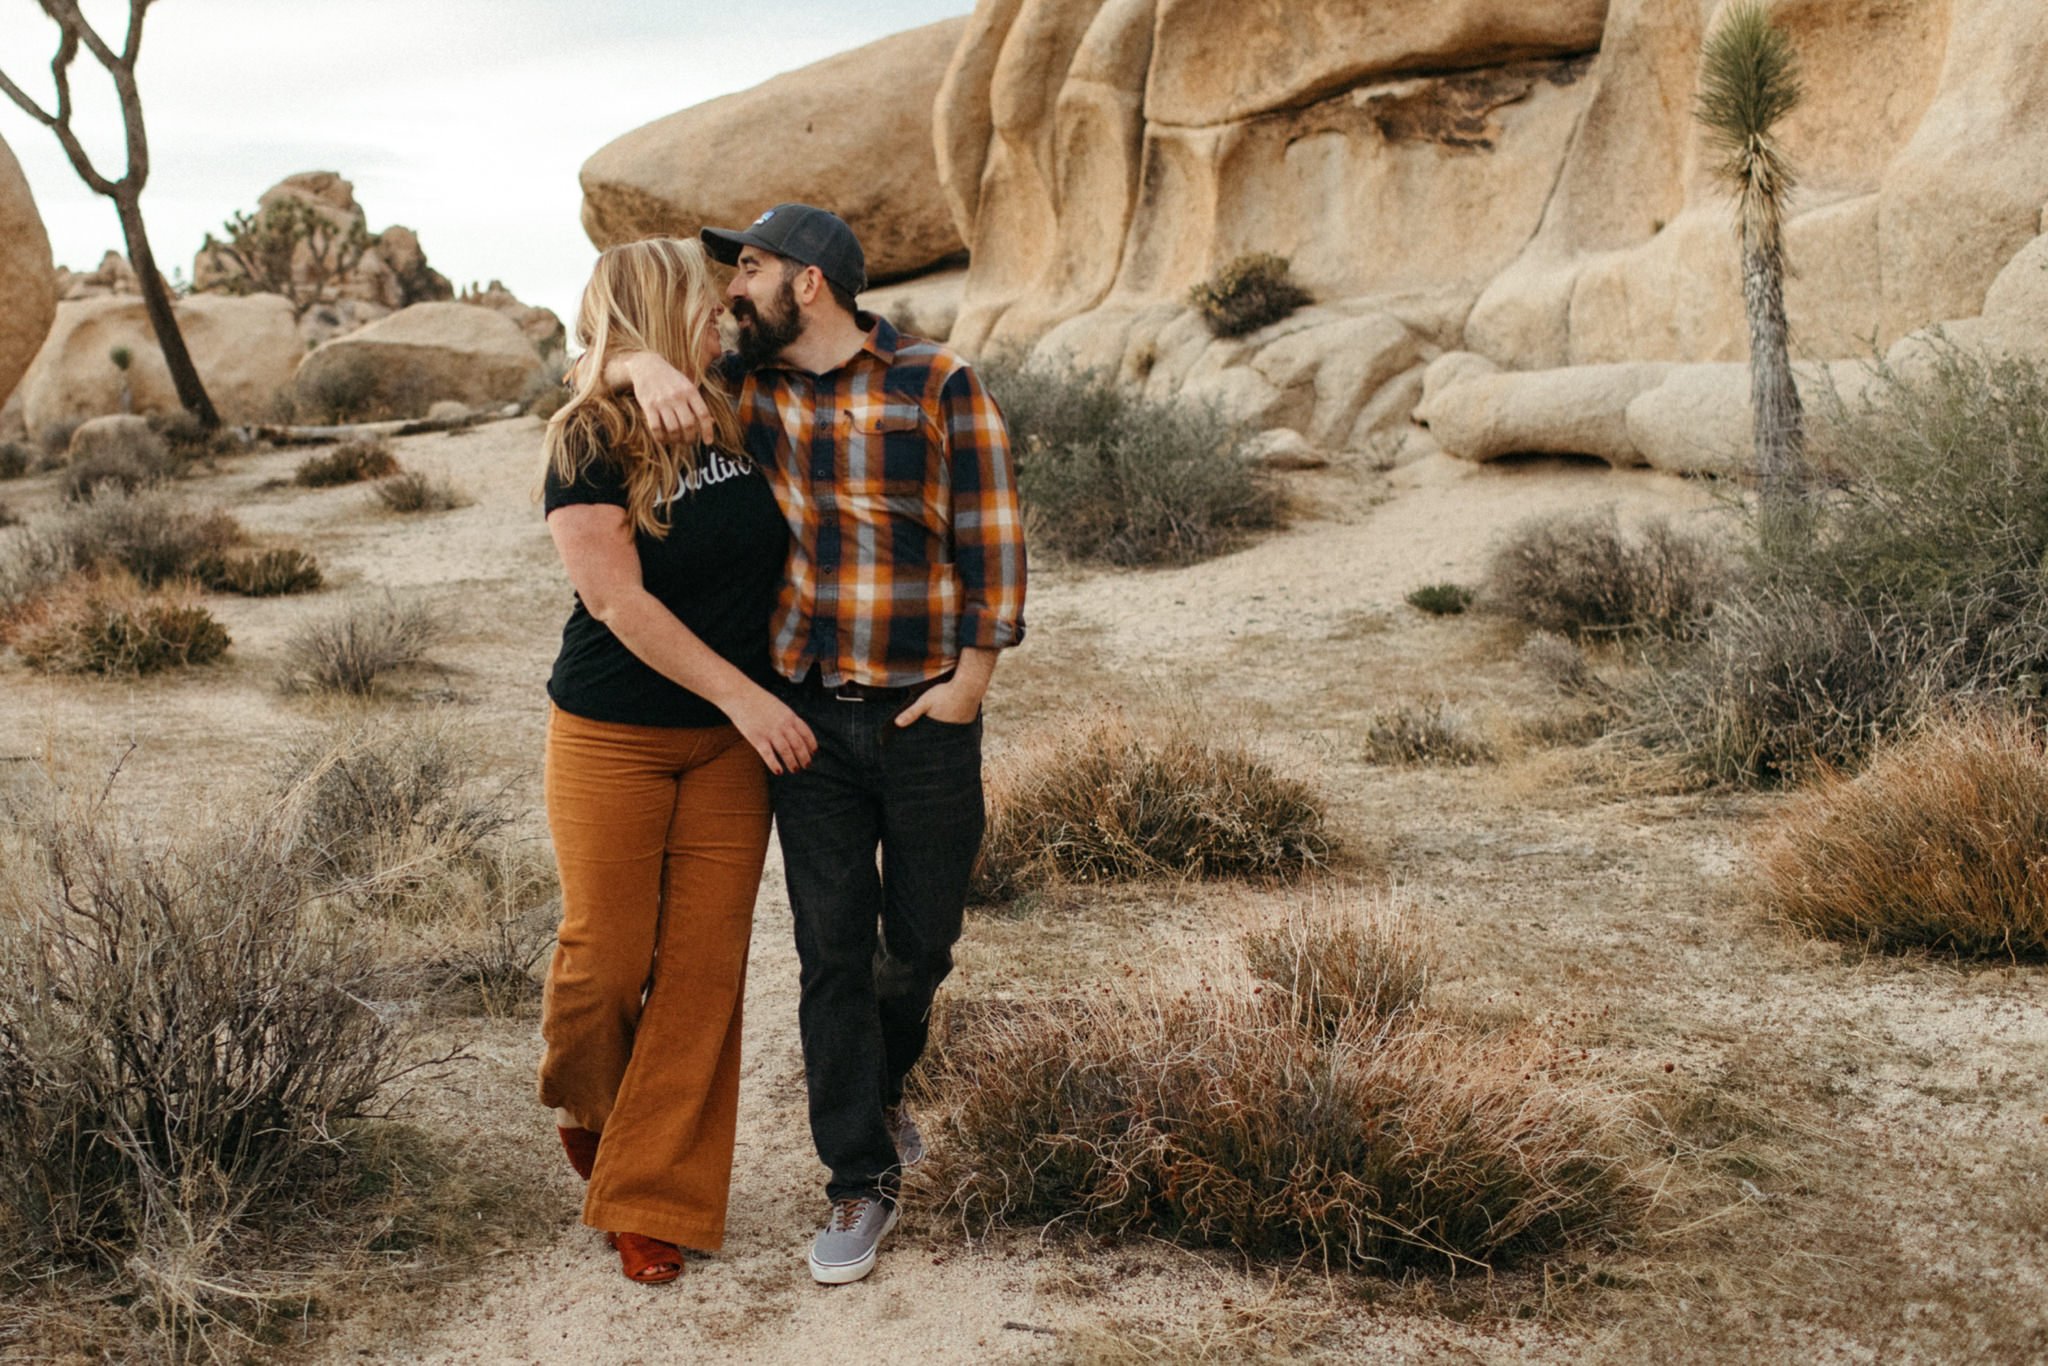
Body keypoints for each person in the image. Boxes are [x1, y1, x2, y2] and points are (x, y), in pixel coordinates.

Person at [611, 203, 1028, 1285]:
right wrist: (622, 362)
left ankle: (882, 1089)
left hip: (923, 711)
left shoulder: (938, 381)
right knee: (828, 947)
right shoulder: (737, 389)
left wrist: (967, 688)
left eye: (745, 267)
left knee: (922, 940)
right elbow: (586, 359)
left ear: (808, 280)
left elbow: (991, 535)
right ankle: (857, 1173)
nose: (728, 290)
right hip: (805, 715)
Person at [535, 236, 816, 1286]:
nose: (722, 322)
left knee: (702, 973)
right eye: (701, 311)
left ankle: (649, 1191)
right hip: (614, 732)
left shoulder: (728, 399)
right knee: (605, 955)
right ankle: (587, 1099)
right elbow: (616, 601)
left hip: (725, 753)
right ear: (657, 314)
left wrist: (659, 363)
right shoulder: (587, 437)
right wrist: (629, 366)